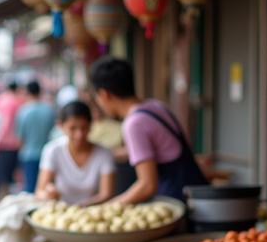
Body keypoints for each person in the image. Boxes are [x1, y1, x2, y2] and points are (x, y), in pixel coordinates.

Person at [88, 55, 207, 202]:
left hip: (176, 201)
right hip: (197, 195)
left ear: (104, 94)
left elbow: (147, 185)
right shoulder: (155, 106)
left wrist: (109, 208)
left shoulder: (133, 124)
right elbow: (161, 147)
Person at [35, 100, 116, 206]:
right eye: (73, 128)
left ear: (91, 126)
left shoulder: (104, 154)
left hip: (93, 211)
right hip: (60, 212)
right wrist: (48, 194)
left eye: (84, 128)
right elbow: (39, 192)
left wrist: (79, 208)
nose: (79, 135)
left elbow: (106, 194)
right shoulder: (53, 150)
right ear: (61, 126)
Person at [14, 81, 56, 193]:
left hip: (28, 155)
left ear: (27, 92)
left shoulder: (24, 111)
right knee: (45, 188)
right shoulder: (49, 110)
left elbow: (20, 137)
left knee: (30, 188)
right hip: (47, 154)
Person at [0, 78, 25, 196]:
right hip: (16, 146)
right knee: (12, 179)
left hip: (3, 146)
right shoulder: (20, 102)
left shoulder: (1, 101)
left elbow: (0, 125)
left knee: (2, 179)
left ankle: (2, 200)